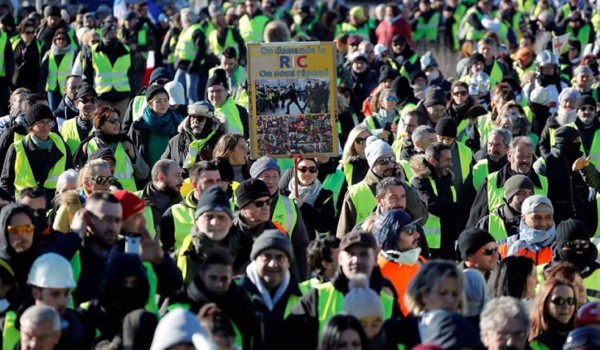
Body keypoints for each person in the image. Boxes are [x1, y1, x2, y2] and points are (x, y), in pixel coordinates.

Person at [285, 230, 400, 349]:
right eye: (350, 254)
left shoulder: (388, 302)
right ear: (340, 258)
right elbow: (289, 340)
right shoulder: (317, 296)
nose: (356, 260)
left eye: (364, 254)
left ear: (375, 259)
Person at [166, 249, 260, 350]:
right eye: (213, 278)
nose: (218, 284)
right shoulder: (181, 307)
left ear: (231, 277)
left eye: (224, 279)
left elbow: (255, 340)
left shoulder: (244, 306)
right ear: (202, 275)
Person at [337, 136, 426, 239]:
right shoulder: (355, 194)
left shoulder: (405, 186)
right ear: (372, 164)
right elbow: (343, 237)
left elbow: (421, 219)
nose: (389, 165)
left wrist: (403, 185)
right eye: (383, 161)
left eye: (392, 159)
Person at [79, 250, 158, 348]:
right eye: (124, 282)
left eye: (134, 283)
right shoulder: (91, 312)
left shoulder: (144, 319)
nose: (129, 287)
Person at [239, 230, 302, 350]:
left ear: (288, 263)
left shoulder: (304, 297)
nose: (273, 264)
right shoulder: (235, 293)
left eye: (280, 258)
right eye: (266, 257)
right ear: (255, 259)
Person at [249, 157, 310, 279]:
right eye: (266, 176)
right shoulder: (242, 205)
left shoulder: (290, 205)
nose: (271, 181)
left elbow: (301, 245)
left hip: (283, 271)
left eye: (275, 176)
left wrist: (302, 278)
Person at [467, 136, 547, 226]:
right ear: (509, 156)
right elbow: (475, 222)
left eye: (529, 156)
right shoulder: (491, 182)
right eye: (521, 156)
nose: (525, 160)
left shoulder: (544, 183)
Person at [0, 103, 72, 203]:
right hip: (25, 204)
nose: (46, 126)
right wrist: (11, 203)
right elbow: (6, 181)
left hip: (54, 203)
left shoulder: (61, 145)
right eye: (41, 122)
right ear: (31, 127)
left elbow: (70, 173)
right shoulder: (16, 148)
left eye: (49, 121)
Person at [410, 142, 467, 259]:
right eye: (446, 160)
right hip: (429, 244)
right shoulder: (420, 180)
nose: (451, 164)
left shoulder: (447, 178)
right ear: (433, 161)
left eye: (451, 159)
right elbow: (434, 206)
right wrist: (464, 207)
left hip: (448, 242)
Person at [74, 106, 149, 192]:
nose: (117, 124)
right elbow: (81, 179)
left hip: (127, 198)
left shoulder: (126, 142)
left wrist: (133, 157)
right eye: (112, 121)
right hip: (100, 198)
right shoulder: (88, 145)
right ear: (100, 124)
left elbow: (144, 174)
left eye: (118, 120)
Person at [23, 253, 89, 349]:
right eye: (55, 294)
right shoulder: (9, 325)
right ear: (36, 293)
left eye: (66, 294)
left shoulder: (82, 327)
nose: (62, 302)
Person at [176, 186, 239, 286]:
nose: (214, 223)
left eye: (221, 217)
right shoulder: (181, 257)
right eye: (208, 217)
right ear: (197, 221)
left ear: (231, 222)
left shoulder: (246, 253)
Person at [160, 161, 221, 252]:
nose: (216, 185)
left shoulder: (232, 209)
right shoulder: (173, 213)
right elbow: (163, 253)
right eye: (209, 181)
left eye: (218, 180)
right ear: (195, 185)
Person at [375, 209, 426, 316]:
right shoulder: (375, 271)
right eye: (409, 230)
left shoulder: (421, 263)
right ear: (391, 236)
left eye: (415, 228)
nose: (417, 235)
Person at [81, 22, 132, 119]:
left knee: (120, 124)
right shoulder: (93, 51)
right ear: (104, 33)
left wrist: (133, 93)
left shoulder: (125, 50)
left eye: (114, 31)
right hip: (102, 95)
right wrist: (88, 93)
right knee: (103, 123)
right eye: (110, 32)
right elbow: (87, 75)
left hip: (122, 95)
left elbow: (132, 73)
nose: (113, 34)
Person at [129, 84, 184, 168]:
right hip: (145, 173)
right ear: (150, 104)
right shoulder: (139, 126)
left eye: (166, 100)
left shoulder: (177, 122)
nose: (163, 104)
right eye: (158, 101)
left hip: (171, 171)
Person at [162, 101, 225, 174]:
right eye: (192, 117)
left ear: (209, 121)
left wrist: (212, 162)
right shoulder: (176, 141)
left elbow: (227, 171)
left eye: (200, 118)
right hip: (180, 184)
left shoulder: (221, 141)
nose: (195, 121)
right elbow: (163, 167)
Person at [52, 160, 113, 234]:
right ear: (87, 183)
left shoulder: (115, 203)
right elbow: (58, 240)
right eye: (101, 180)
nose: (107, 185)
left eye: (110, 179)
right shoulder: (69, 206)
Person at [280, 158, 335, 239]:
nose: (307, 173)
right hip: (286, 241)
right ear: (296, 172)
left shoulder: (325, 195)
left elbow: (325, 226)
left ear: (317, 173)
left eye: (312, 169)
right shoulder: (283, 193)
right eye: (303, 169)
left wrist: (303, 206)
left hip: (311, 244)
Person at [498, 195, 556, 265]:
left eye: (548, 217)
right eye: (537, 218)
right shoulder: (503, 247)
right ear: (523, 218)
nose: (543, 224)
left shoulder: (560, 246)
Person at [477, 174, 534, 240]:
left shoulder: (538, 219)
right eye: (521, 193)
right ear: (509, 198)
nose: (527, 198)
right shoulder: (487, 223)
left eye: (531, 194)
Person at [136, 159, 183, 237]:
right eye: (177, 175)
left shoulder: (185, 204)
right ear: (161, 177)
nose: (182, 180)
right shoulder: (134, 200)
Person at [529, 278, 578, 350]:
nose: (566, 306)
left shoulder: (583, 336)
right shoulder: (535, 343)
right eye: (559, 301)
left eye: (570, 301)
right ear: (545, 304)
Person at [173, 8, 207, 104]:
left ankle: (194, 113)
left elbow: (200, 50)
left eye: (182, 18)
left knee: (191, 93)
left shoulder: (196, 30)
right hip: (183, 65)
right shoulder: (187, 29)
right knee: (176, 89)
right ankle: (178, 113)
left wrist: (193, 65)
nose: (181, 21)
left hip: (192, 67)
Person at [38, 29, 77, 112]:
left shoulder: (73, 53)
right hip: (52, 90)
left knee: (67, 112)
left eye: (63, 39)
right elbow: (43, 72)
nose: (61, 41)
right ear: (55, 40)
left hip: (68, 90)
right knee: (53, 113)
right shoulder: (49, 53)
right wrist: (40, 89)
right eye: (58, 39)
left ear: (68, 40)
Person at [206, 68, 249, 139]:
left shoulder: (240, 111)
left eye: (218, 91)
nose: (215, 94)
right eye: (212, 91)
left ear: (226, 91)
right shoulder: (203, 113)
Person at [61, 85, 96, 155]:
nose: (89, 104)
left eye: (93, 101)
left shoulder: (102, 125)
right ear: (76, 104)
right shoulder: (66, 125)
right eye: (85, 101)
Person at [12, 19, 42, 91]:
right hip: (15, 84)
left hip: (31, 85)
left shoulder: (39, 45)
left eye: (33, 32)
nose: (31, 35)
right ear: (21, 33)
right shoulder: (14, 43)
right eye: (28, 32)